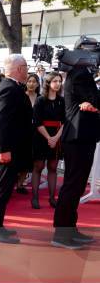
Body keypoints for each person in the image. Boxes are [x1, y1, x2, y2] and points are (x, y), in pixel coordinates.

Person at [52, 37, 100, 249]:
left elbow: (95, 100)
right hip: (78, 138)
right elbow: (96, 99)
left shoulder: (80, 73)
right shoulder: (80, 74)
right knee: (73, 185)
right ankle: (62, 234)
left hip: (82, 136)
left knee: (77, 185)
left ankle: (69, 229)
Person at [0, 54, 32, 243]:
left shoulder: (11, 87)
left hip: (10, 148)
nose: (28, 71)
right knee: (1, 188)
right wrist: (4, 150)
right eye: (26, 67)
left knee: (0, 186)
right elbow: (1, 121)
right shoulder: (9, 89)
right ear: (19, 69)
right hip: (7, 149)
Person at [30, 72, 65, 210]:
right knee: (38, 167)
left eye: (59, 81)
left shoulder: (62, 101)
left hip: (57, 137)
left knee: (53, 167)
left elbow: (64, 122)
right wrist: (49, 138)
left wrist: (56, 138)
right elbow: (37, 123)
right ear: (48, 83)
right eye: (55, 81)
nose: (58, 83)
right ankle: (35, 197)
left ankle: (52, 198)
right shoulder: (40, 100)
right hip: (41, 136)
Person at [14, 73, 39, 194]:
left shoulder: (40, 98)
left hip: (35, 133)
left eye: (34, 81)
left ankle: (20, 184)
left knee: (29, 159)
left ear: (38, 84)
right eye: (29, 81)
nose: (31, 84)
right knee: (18, 158)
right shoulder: (20, 96)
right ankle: (14, 182)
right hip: (20, 132)